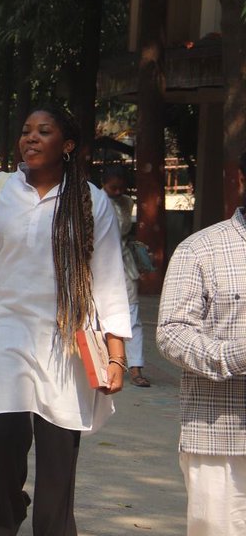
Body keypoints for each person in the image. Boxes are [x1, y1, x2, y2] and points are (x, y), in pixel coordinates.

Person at [0, 105, 131, 536]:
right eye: (26, 131)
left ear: (66, 145)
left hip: (66, 339)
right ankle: (0, 523)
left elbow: (108, 278)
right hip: (6, 332)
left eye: (44, 132)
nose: (30, 138)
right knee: (3, 445)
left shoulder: (91, 200)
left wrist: (117, 354)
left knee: (57, 456)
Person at [157, 150, 246, 536]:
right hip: (221, 435)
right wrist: (236, 355)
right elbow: (172, 332)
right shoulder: (201, 249)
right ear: (241, 179)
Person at [101, 165, 151, 387]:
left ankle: (136, 367)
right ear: (104, 184)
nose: (118, 192)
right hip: (98, 265)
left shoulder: (127, 203)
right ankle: (103, 361)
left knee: (132, 314)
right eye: (114, 188)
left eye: (122, 188)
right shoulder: (92, 201)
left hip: (123, 263)